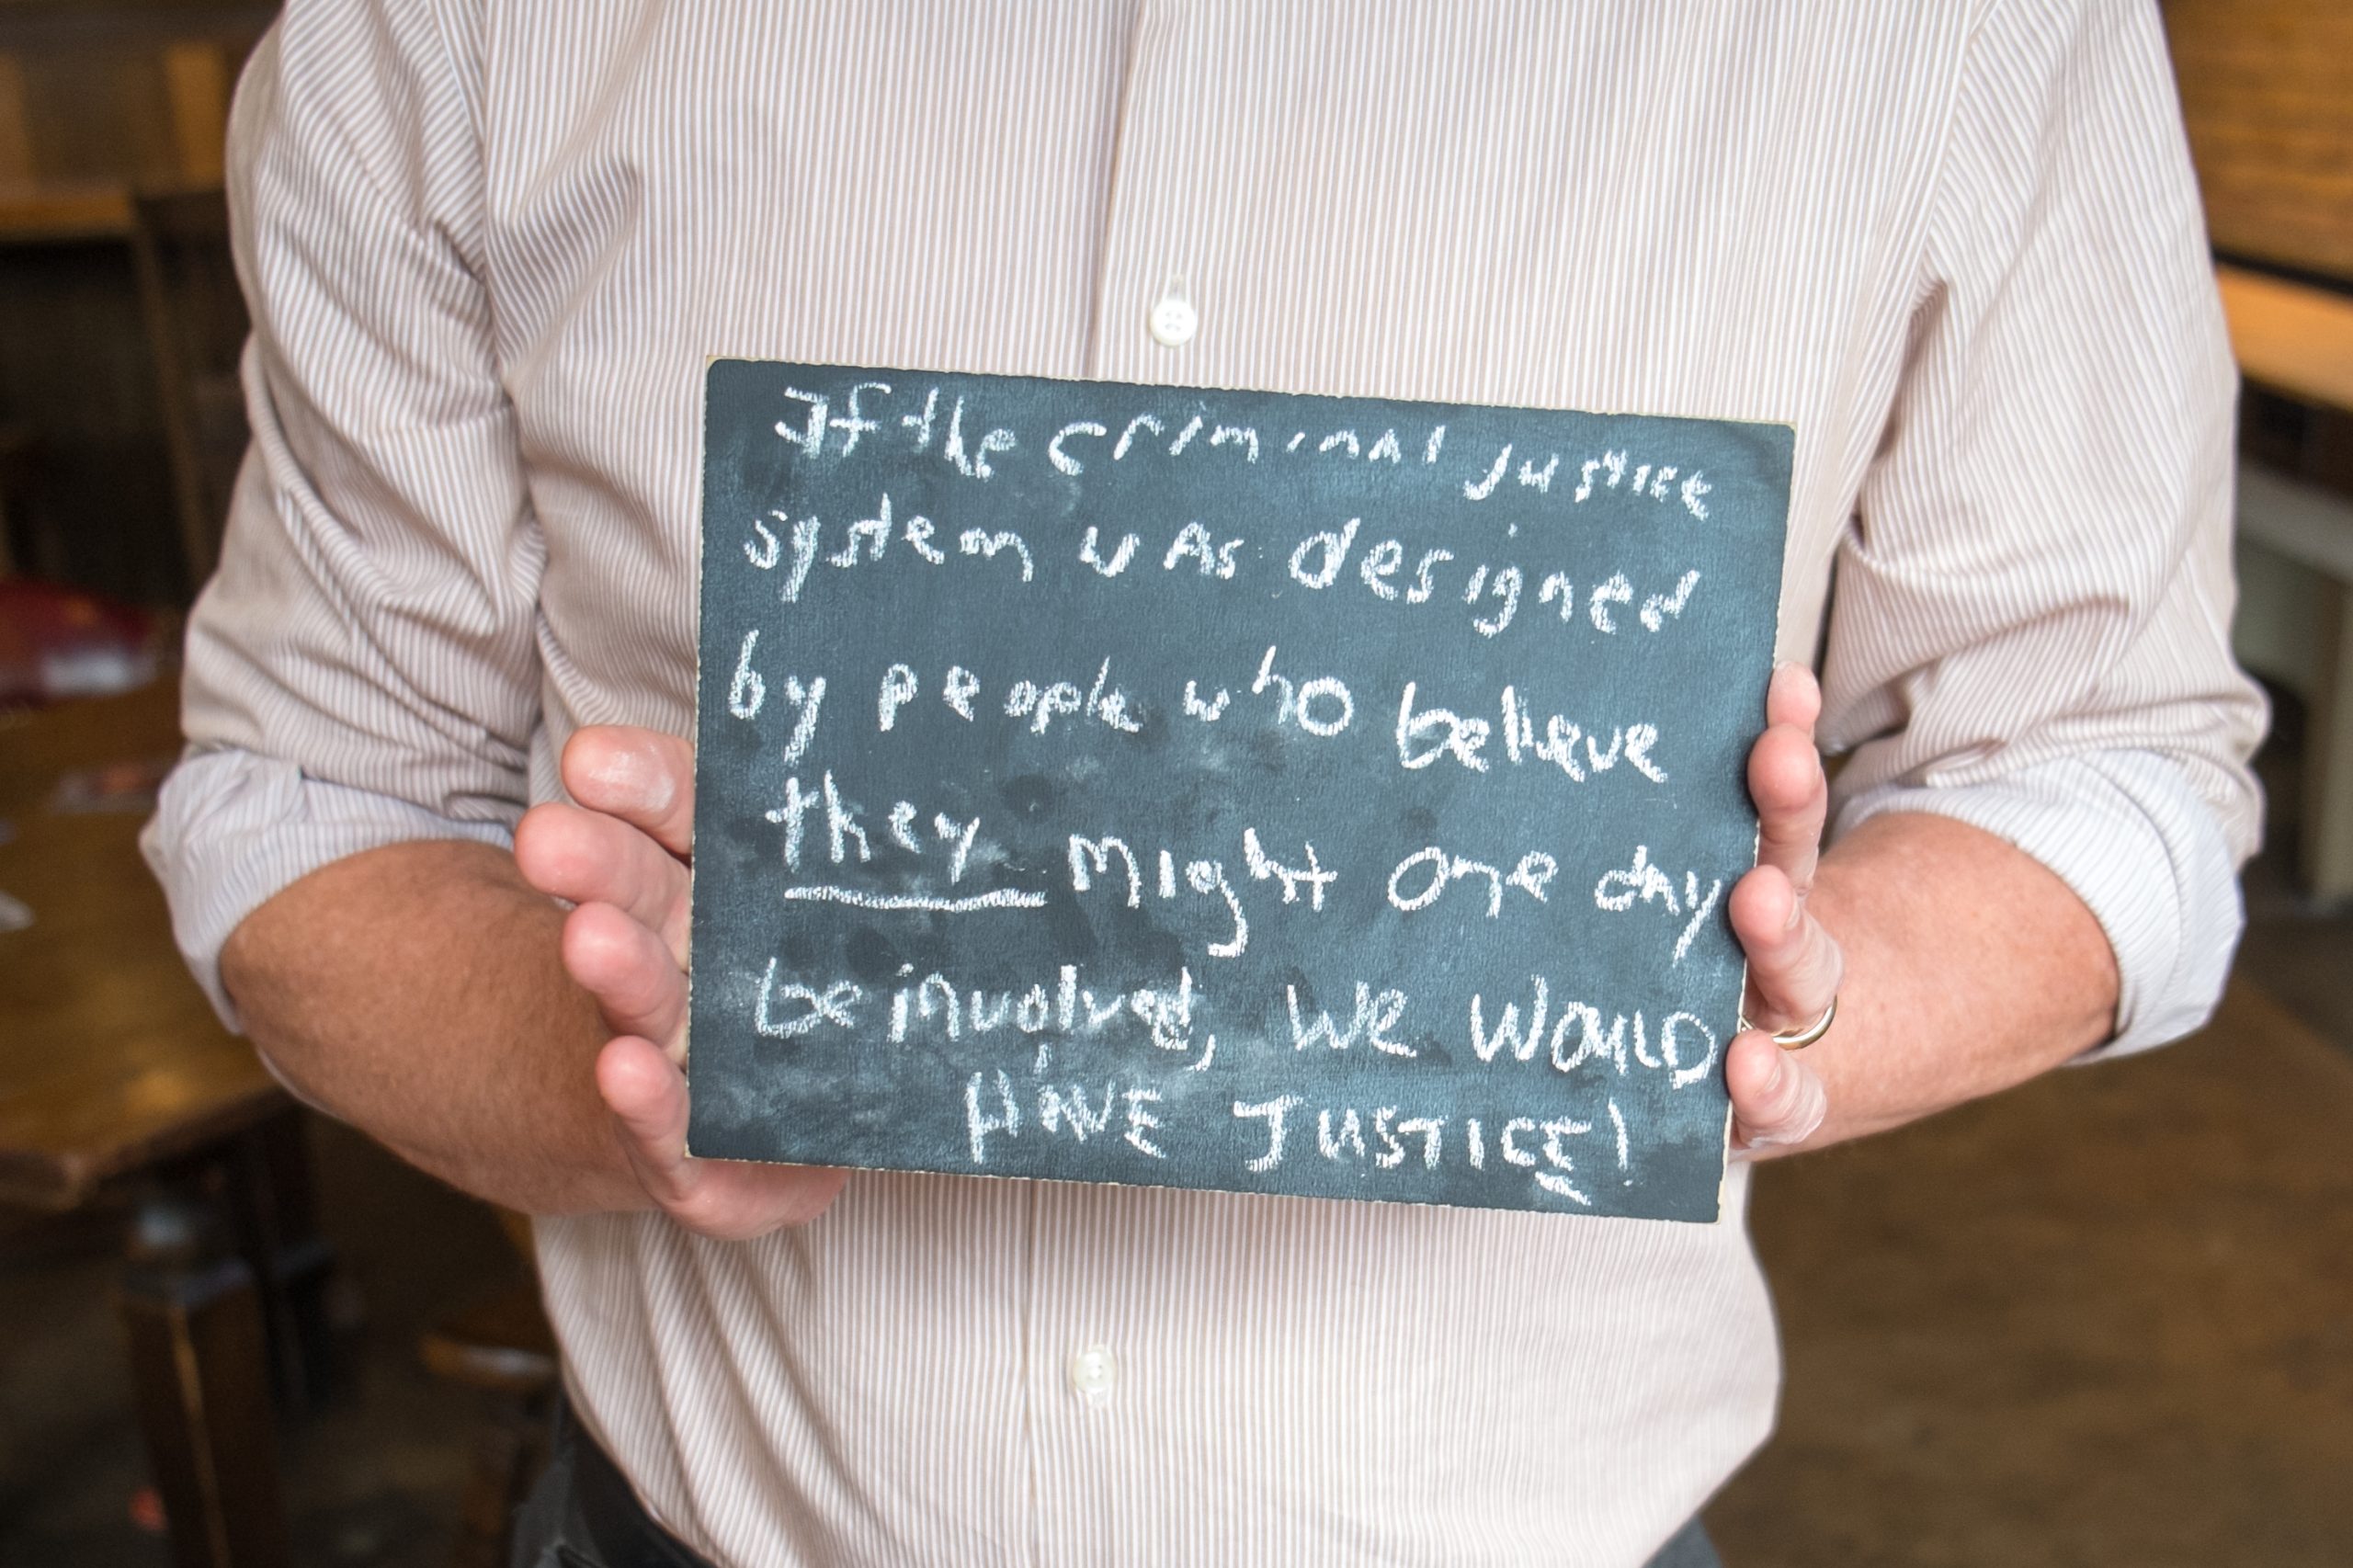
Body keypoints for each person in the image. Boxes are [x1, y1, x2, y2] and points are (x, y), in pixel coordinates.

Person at [143, 3, 2263, 1564]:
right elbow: (302, 802)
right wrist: (602, 1063)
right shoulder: (454, 28)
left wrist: (1808, 1004)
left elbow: (2106, 765)